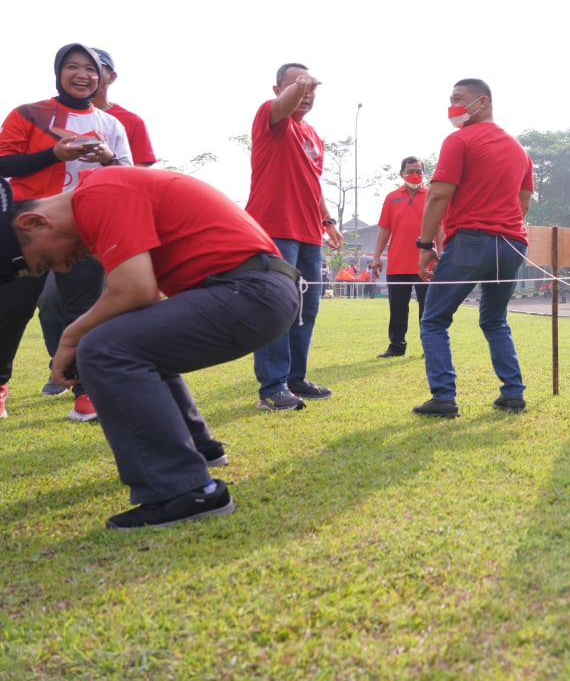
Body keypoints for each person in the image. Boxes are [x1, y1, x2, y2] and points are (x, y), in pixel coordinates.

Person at [8, 166, 302, 529]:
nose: (62, 268)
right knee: (129, 340)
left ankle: (181, 491)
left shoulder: (100, 194)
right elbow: (139, 301)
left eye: (45, 262)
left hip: (250, 291)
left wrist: (70, 338)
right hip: (256, 287)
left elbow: (136, 291)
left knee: (102, 349)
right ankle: (198, 449)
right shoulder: (102, 192)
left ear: (34, 222)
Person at [0, 43, 132, 424]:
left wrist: (108, 159)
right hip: (27, 229)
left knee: (86, 311)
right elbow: (3, 162)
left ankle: (87, 392)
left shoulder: (111, 125)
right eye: (72, 66)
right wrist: (54, 155)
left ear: (101, 77)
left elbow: (128, 178)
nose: (82, 75)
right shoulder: (28, 114)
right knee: (11, 310)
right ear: (59, 72)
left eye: (90, 69)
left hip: (84, 230)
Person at [413, 78, 534, 418]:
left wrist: (425, 244)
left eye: (457, 98)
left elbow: (438, 195)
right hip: (511, 244)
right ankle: (513, 393)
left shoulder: (459, 140)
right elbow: (524, 202)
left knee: (434, 320)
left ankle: (444, 397)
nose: (452, 106)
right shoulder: (520, 151)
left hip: (470, 241)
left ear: (482, 102)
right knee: (495, 320)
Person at [244, 63, 343, 410]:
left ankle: (295, 378)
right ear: (278, 91)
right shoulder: (270, 117)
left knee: (307, 308)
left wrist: (328, 221)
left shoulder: (312, 135)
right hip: (274, 230)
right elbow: (283, 107)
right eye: (297, 86)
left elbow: (312, 183)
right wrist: (299, 87)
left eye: (311, 88)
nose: (306, 93)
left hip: (309, 235)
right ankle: (272, 387)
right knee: (277, 307)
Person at [371, 156, 431, 358]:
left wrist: (442, 255)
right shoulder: (391, 198)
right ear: (401, 173)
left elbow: (441, 229)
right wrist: (377, 257)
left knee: (428, 308)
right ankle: (396, 346)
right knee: (397, 308)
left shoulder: (432, 197)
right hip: (397, 263)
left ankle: (429, 347)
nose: (415, 175)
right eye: (410, 171)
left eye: (418, 171)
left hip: (426, 263)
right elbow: (384, 229)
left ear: (424, 173)